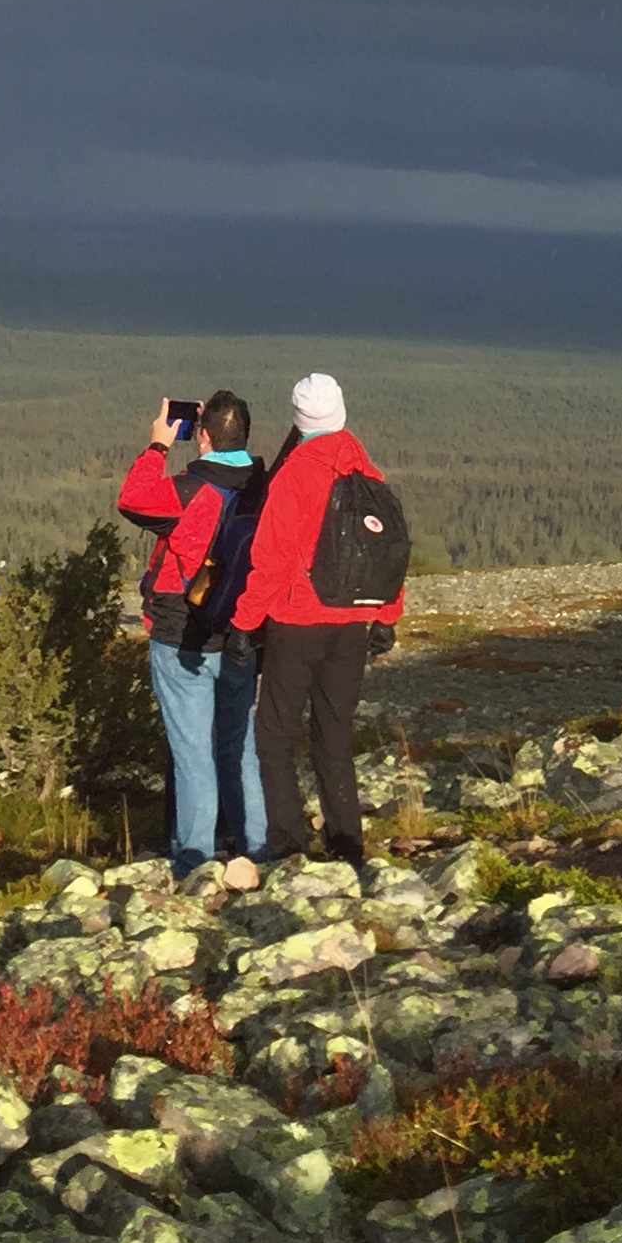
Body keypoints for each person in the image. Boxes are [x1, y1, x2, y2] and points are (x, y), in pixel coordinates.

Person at [231, 370, 406, 871]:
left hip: (296, 620)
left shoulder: (295, 475)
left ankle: (288, 846)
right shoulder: (369, 475)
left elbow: (272, 559)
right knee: (334, 734)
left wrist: (245, 623)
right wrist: (386, 617)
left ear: (298, 417)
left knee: (275, 735)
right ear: (341, 413)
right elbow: (390, 555)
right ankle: (346, 844)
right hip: (353, 624)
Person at [116, 390, 271, 865]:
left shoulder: (189, 489)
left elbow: (133, 500)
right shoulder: (264, 490)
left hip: (181, 633)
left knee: (191, 750)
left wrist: (159, 445)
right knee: (237, 744)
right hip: (243, 632)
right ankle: (257, 845)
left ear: (201, 435)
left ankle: (195, 856)